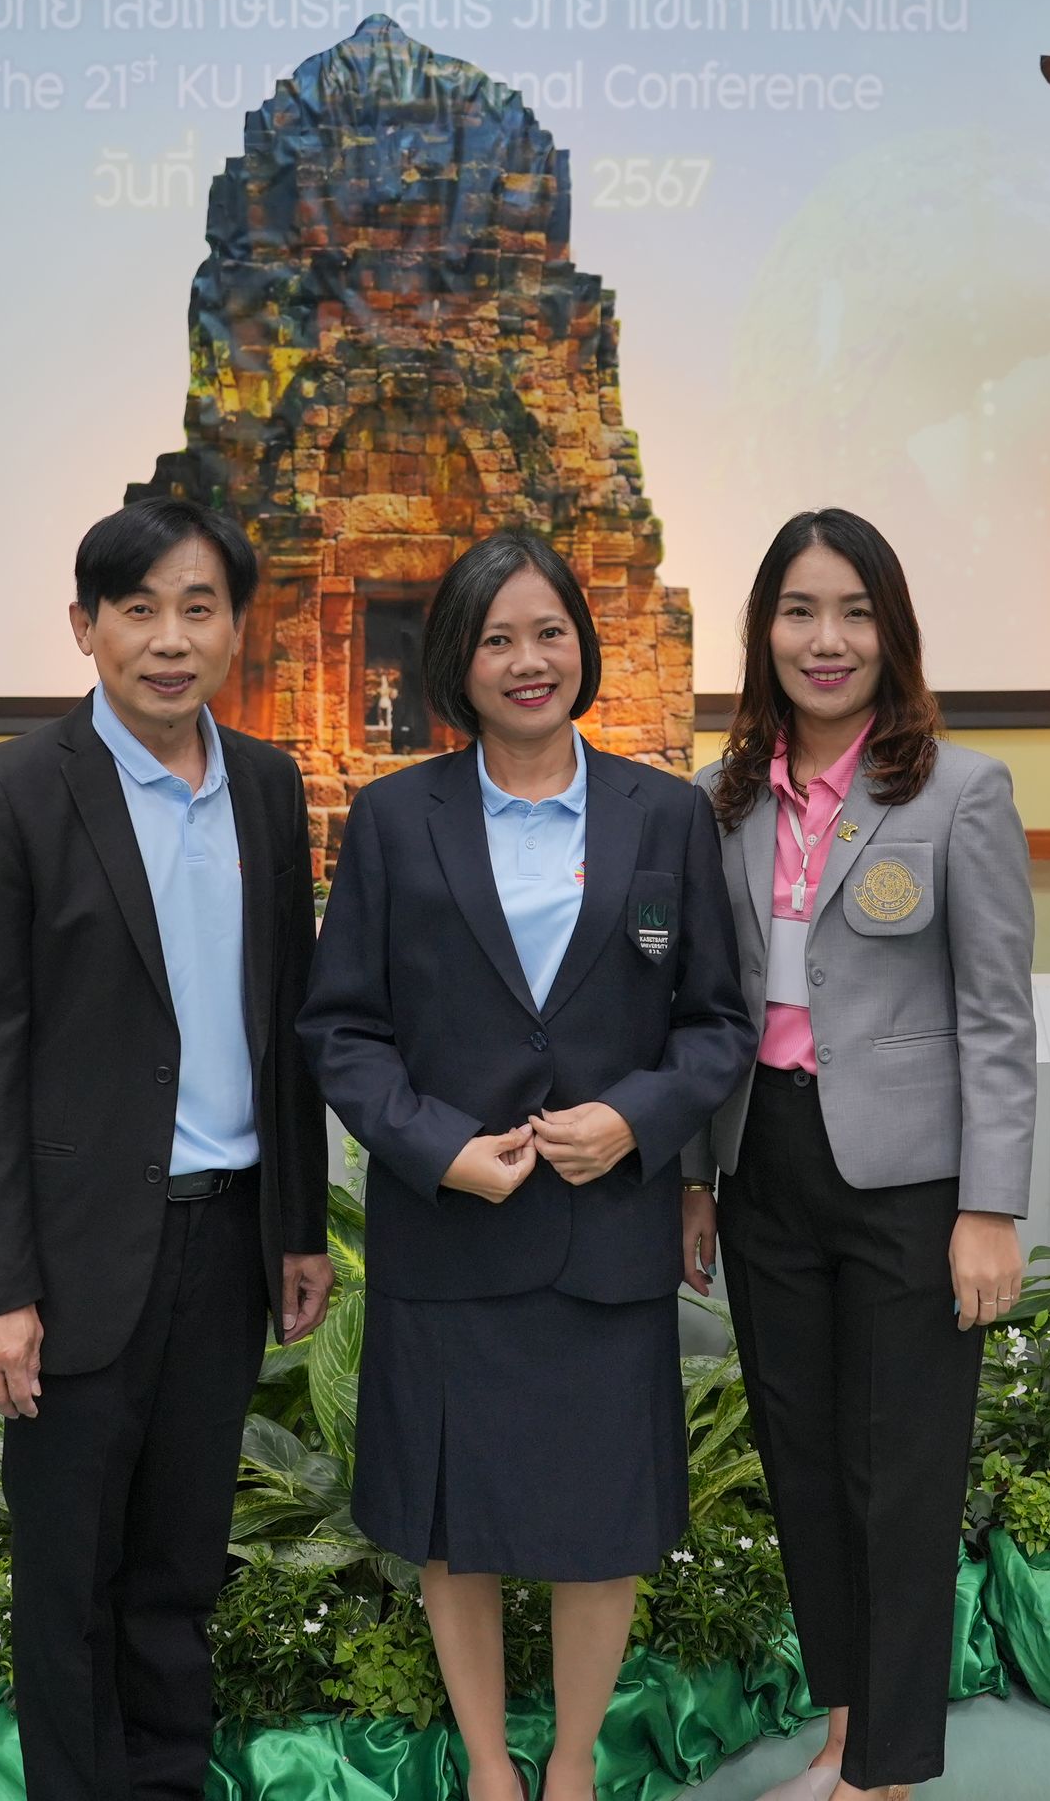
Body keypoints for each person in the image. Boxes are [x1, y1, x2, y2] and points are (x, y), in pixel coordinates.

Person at [300, 529, 753, 1801]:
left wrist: (634, 1121)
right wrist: (437, 1147)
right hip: (453, 1236)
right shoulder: (397, 817)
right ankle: (491, 1765)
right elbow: (341, 1027)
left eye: (548, 630)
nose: (527, 658)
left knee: (600, 1525)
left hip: (605, 1236)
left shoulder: (665, 813)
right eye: (497, 637)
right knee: (459, 1529)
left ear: (582, 646)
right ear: (458, 660)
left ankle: (571, 1765)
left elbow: (716, 1022)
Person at [0, 498, 337, 1801]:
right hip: (76, 1257)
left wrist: (299, 1221)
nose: (170, 639)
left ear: (235, 629)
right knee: (70, 1579)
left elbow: (286, 1017)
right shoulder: (10, 793)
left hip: (226, 1241)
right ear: (85, 626)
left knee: (178, 1566)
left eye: (198, 608)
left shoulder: (267, 786)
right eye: (139, 609)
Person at [680, 508, 1037, 1801]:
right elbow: (707, 1005)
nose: (825, 640)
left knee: (902, 1480)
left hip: (909, 1183)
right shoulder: (724, 799)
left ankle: (885, 1774)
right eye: (799, 612)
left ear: (892, 633)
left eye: (853, 612)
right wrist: (697, 1176)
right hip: (766, 1161)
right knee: (807, 1464)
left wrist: (990, 1205)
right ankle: (842, 1739)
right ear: (763, 632)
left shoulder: (959, 792)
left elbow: (997, 1015)